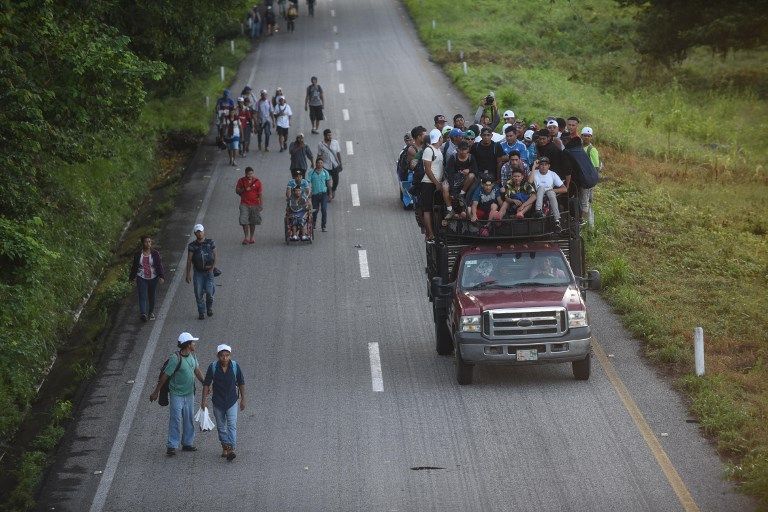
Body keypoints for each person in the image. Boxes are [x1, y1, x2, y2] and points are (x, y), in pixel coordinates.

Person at [149, 332, 206, 456]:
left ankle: (187, 443)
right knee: (175, 419)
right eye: (193, 342)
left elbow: (196, 370)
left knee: (189, 418)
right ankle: (172, 445)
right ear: (187, 345)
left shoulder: (193, 356)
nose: (194, 344)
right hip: (177, 395)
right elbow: (165, 376)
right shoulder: (175, 359)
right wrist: (155, 392)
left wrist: (204, 383)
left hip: (190, 394)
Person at [201, 344, 246, 462]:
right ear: (218, 356)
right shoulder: (213, 367)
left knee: (232, 426)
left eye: (227, 355)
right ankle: (225, 446)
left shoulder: (235, 366)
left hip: (231, 401)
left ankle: (230, 449)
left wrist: (243, 399)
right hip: (218, 402)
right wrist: (204, 401)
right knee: (221, 428)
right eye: (222, 356)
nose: (224, 358)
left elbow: (241, 382)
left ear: (230, 355)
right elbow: (206, 384)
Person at [129, 235, 165, 322]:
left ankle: (151, 312)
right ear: (142, 243)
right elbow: (134, 266)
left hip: (153, 277)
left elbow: (159, 265)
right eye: (146, 242)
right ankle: (143, 314)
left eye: (149, 241)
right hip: (141, 277)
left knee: (151, 295)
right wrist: (132, 278)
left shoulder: (155, 253)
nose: (148, 243)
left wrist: (161, 276)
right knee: (142, 295)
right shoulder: (138, 254)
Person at [186, 224, 216, 320]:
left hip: (209, 272)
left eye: (201, 231)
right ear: (195, 233)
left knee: (209, 292)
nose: (200, 233)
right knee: (198, 293)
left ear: (204, 231)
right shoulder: (192, 246)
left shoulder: (210, 242)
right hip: (198, 273)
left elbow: (215, 255)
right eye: (198, 232)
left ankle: (209, 308)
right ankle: (201, 312)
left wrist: (213, 268)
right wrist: (188, 274)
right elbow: (189, 260)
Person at [442, 140, 477, 221]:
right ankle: (449, 209)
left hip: (465, 181)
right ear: (457, 150)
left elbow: (476, 170)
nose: (463, 151)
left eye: (465, 149)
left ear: (468, 150)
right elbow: (449, 175)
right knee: (444, 186)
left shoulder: (471, 158)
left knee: (472, 175)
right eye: (461, 149)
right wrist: (452, 191)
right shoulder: (453, 158)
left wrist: (469, 169)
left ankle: (462, 194)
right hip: (453, 180)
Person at [529, 157, 568, 229]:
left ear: (549, 166)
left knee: (551, 194)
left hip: (549, 193)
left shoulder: (553, 174)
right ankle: (538, 211)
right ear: (538, 165)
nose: (543, 166)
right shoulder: (534, 172)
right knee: (541, 188)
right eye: (541, 164)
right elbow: (530, 182)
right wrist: (534, 167)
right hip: (537, 194)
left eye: (545, 165)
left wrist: (552, 190)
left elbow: (564, 189)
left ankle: (557, 220)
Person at [420, 128, 445, 241]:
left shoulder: (438, 150)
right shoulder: (429, 150)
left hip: (437, 184)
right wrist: (436, 183)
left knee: (437, 209)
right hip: (428, 184)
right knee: (427, 209)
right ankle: (430, 233)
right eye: (441, 137)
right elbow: (427, 169)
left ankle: (437, 231)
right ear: (439, 138)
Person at [235, 167, 263, 245]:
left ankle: (251, 237)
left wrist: (261, 204)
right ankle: (246, 237)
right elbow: (237, 191)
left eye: (251, 173)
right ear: (245, 174)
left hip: (255, 204)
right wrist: (244, 189)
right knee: (243, 220)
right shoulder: (241, 181)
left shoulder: (257, 182)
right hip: (244, 204)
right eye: (249, 174)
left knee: (253, 222)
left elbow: (260, 194)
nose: (250, 175)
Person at [307, 157, 332, 232]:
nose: (320, 164)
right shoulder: (311, 173)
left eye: (321, 163)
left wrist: (330, 193)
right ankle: (313, 224)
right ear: (316, 163)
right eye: (318, 163)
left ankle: (323, 226)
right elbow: (307, 183)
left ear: (323, 164)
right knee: (315, 210)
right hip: (315, 194)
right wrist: (308, 192)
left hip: (323, 194)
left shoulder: (325, 172)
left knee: (324, 209)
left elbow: (328, 183)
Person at [317, 129, 342, 201]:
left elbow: (338, 153)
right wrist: (317, 166)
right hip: (325, 166)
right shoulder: (320, 144)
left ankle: (333, 189)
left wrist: (340, 164)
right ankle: (329, 194)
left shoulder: (335, 142)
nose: (330, 136)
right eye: (328, 135)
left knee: (336, 181)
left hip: (335, 165)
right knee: (326, 182)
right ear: (324, 136)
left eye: (330, 135)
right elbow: (319, 155)